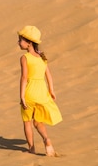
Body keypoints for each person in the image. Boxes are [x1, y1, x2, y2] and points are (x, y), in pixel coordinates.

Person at [17, 26, 63, 156]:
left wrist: (22, 97)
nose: (18, 42)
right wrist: (51, 90)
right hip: (42, 93)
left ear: (29, 42)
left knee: (27, 122)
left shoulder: (24, 57)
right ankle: (46, 139)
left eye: (20, 40)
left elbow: (24, 77)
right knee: (38, 121)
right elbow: (48, 74)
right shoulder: (42, 56)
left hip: (30, 93)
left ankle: (31, 148)